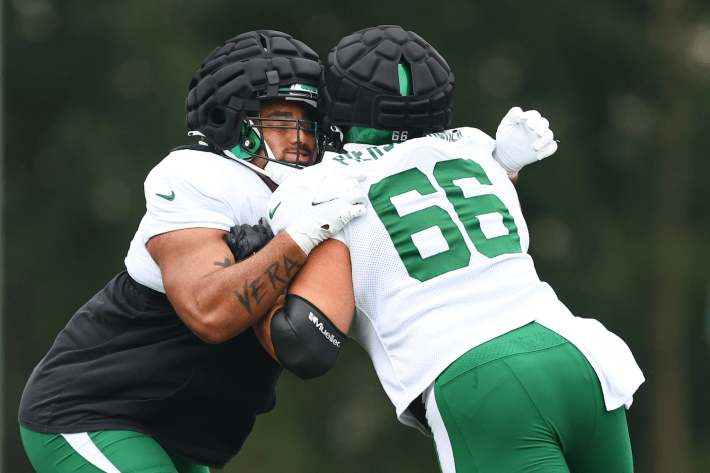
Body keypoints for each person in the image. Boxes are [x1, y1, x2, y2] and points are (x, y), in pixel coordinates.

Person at [257, 25, 645, 472]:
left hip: (479, 372)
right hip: (578, 354)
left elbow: (303, 329)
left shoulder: (317, 183)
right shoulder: (480, 149)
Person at [18, 30, 366, 472]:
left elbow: (303, 345)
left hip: (178, 434)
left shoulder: (318, 192)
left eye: (309, 124)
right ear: (231, 120)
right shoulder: (198, 175)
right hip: (94, 412)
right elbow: (209, 313)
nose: (302, 138)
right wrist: (298, 239)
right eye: (282, 121)